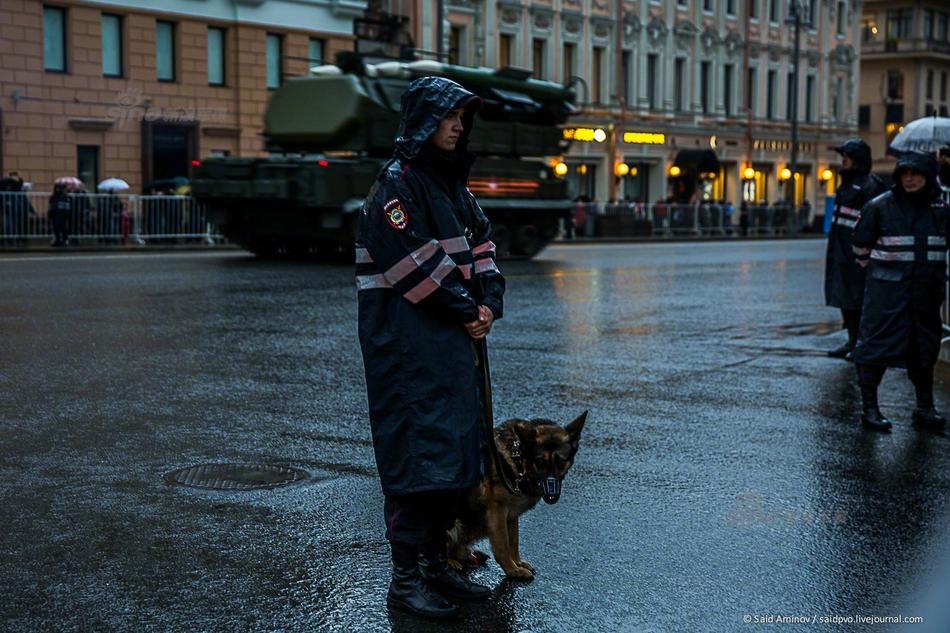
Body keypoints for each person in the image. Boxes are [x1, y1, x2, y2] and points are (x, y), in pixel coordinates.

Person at [355, 76, 505, 619]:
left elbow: (484, 245)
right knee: (415, 463)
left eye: (463, 119)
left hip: (450, 345)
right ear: (425, 121)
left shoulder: (451, 188)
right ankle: (405, 580)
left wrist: (489, 301)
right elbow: (409, 263)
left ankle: (438, 564)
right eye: (449, 117)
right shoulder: (395, 185)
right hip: (408, 351)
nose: (459, 127)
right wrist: (471, 309)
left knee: (451, 459)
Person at [851, 152, 948, 432]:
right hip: (887, 293)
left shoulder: (941, 210)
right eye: (904, 173)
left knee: (924, 349)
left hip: (926, 293)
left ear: (929, 177)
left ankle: (924, 407)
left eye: (915, 174)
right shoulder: (880, 206)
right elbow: (860, 245)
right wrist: (883, 275)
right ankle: (870, 409)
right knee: (875, 346)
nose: (909, 179)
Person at [824, 138, 887, 360]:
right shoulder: (846, 184)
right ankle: (852, 341)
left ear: (857, 159)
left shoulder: (871, 185)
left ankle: (861, 343)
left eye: (847, 157)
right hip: (841, 250)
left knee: (859, 298)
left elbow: (873, 222)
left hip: (858, 253)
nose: (843, 161)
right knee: (844, 297)